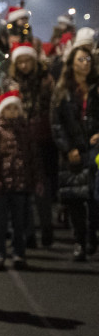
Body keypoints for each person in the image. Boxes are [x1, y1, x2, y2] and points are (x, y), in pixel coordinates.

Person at [2, 41, 56, 247]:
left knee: (42, 187)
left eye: (28, 61)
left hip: (42, 140)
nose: (24, 65)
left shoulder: (45, 81)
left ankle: (46, 228)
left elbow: (50, 107)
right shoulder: (10, 82)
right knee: (21, 188)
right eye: (21, 61)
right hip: (19, 140)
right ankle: (27, 232)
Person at [50, 42, 99, 261]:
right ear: (71, 63)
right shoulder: (63, 91)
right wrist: (68, 148)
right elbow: (56, 123)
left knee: (94, 197)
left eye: (88, 60)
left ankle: (92, 236)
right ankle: (80, 241)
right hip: (72, 152)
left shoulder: (96, 88)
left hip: (95, 150)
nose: (85, 64)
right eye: (80, 59)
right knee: (76, 200)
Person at [0, 91, 36, 269]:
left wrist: (36, 179)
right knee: (0, 222)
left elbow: (32, 157)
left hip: (20, 185)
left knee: (19, 222)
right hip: (2, 186)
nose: (12, 112)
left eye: (15, 109)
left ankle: (18, 253)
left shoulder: (25, 131)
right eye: (9, 109)